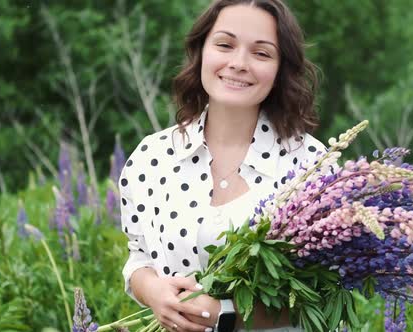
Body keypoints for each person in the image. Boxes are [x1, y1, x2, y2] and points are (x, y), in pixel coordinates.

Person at [118, 1, 328, 331]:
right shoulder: (152, 156)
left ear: (280, 70)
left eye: (261, 53)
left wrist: (223, 314)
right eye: (225, 45)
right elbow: (138, 257)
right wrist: (155, 292)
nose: (239, 63)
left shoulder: (311, 166)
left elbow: (324, 296)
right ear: (201, 51)